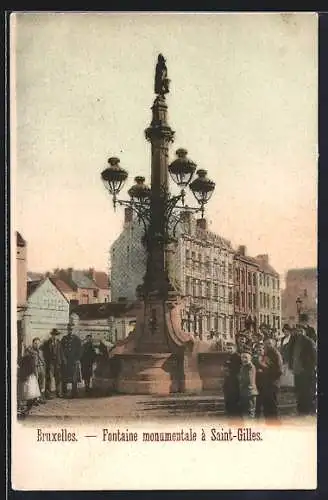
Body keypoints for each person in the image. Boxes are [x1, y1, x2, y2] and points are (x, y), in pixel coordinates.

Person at [287, 325, 317, 416]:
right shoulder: (294, 341)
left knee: (306, 391)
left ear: (305, 331)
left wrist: (309, 368)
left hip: (306, 371)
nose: (299, 333)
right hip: (297, 370)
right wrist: (291, 366)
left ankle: (306, 410)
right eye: (297, 331)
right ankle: (300, 409)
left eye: (301, 331)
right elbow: (290, 354)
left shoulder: (309, 342)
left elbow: (315, 357)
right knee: (298, 390)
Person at [253, 340, 283, 420]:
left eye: (270, 343)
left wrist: (265, 370)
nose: (268, 346)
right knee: (264, 404)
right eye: (267, 344)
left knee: (271, 404)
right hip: (261, 384)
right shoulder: (257, 358)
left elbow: (278, 371)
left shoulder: (275, 355)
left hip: (272, 383)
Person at [60, 320, 82, 398]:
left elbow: (80, 351)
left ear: (74, 330)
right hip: (65, 361)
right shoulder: (64, 339)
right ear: (67, 330)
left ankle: (74, 392)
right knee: (64, 377)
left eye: (71, 329)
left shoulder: (77, 339)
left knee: (74, 378)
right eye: (69, 329)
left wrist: (77, 359)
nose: (70, 331)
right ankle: (64, 392)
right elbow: (61, 349)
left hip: (73, 361)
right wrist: (63, 359)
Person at [24, 337, 46, 404]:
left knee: (41, 383)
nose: (37, 345)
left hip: (41, 368)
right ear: (33, 343)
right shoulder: (29, 351)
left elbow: (43, 360)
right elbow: (26, 360)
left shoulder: (41, 351)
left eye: (38, 343)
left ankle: (40, 398)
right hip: (34, 368)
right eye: (35, 343)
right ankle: (34, 399)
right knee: (34, 383)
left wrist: (44, 367)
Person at [43, 328, 62, 399]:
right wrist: (47, 361)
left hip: (57, 363)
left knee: (58, 378)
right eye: (53, 335)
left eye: (56, 335)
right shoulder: (47, 343)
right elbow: (44, 353)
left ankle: (59, 393)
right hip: (50, 363)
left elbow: (61, 353)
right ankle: (48, 394)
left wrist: (62, 362)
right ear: (51, 335)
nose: (55, 336)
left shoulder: (59, 343)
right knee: (49, 378)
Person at [223, 344, 241, 418]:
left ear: (235, 349)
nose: (229, 350)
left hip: (235, 380)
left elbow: (238, 368)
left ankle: (235, 414)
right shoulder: (227, 356)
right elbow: (225, 365)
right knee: (228, 396)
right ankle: (230, 412)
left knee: (234, 397)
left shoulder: (238, 357)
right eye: (228, 348)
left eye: (231, 348)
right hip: (228, 379)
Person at [239, 350, 258, 419]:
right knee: (245, 412)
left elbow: (249, 380)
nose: (244, 359)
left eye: (246, 357)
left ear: (250, 358)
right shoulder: (243, 367)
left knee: (250, 412)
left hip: (250, 392)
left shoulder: (250, 367)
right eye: (242, 357)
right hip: (244, 392)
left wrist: (241, 382)